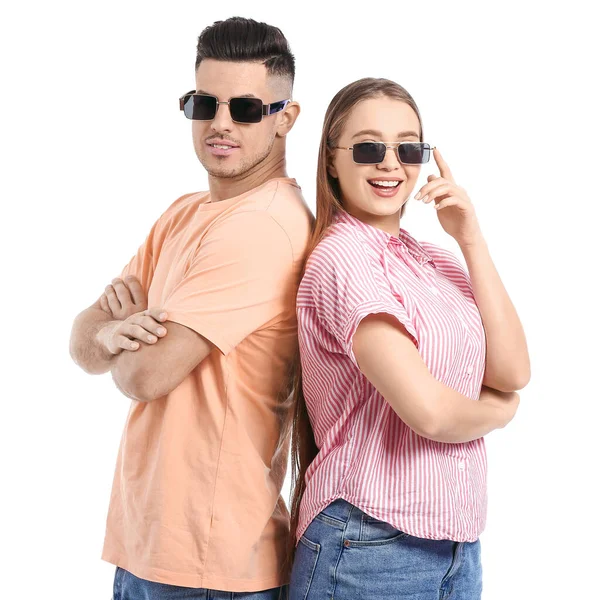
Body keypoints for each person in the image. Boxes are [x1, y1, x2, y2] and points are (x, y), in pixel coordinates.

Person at [69, 17, 312, 600]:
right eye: (205, 103)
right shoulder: (183, 212)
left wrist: (123, 342)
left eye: (247, 109)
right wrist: (108, 336)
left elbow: (144, 374)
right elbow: (82, 338)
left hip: (212, 563)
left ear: (286, 117)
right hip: (146, 545)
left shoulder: (264, 226)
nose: (221, 124)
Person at [287, 78, 530, 600]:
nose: (390, 163)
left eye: (408, 147)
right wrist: (499, 412)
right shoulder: (342, 259)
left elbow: (513, 372)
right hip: (367, 543)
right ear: (332, 160)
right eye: (370, 147)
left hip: (457, 546)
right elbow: (431, 413)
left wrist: (469, 237)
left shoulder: (432, 259)